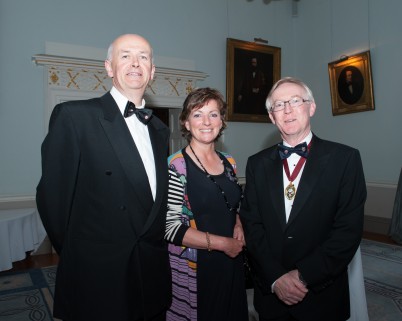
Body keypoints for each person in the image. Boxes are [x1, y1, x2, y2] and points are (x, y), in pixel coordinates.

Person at [36, 34, 171, 321]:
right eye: (125, 55)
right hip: (100, 276)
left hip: (151, 274)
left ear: (153, 70)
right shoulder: (75, 117)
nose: (135, 62)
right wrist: (83, 255)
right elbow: (53, 201)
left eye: (143, 57)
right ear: (109, 67)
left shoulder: (160, 130)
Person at [240, 77, 367, 321]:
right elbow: (252, 225)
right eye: (278, 104)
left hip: (322, 295)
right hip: (271, 295)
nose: (287, 110)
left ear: (311, 107)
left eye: (295, 101)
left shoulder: (345, 159)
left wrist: (302, 276)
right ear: (271, 116)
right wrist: (276, 278)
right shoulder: (257, 163)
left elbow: (347, 232)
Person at [165, 87, 249, 321]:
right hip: (197, 264)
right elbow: (170, 228)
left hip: (231, 261)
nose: (206, 121)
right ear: (186, 122)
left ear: (222, 121)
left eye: (213, 114)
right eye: (197, 114)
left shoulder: (229, 162)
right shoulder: (176, 166)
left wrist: (239, 224)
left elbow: (232, 204)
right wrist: (223, 244)